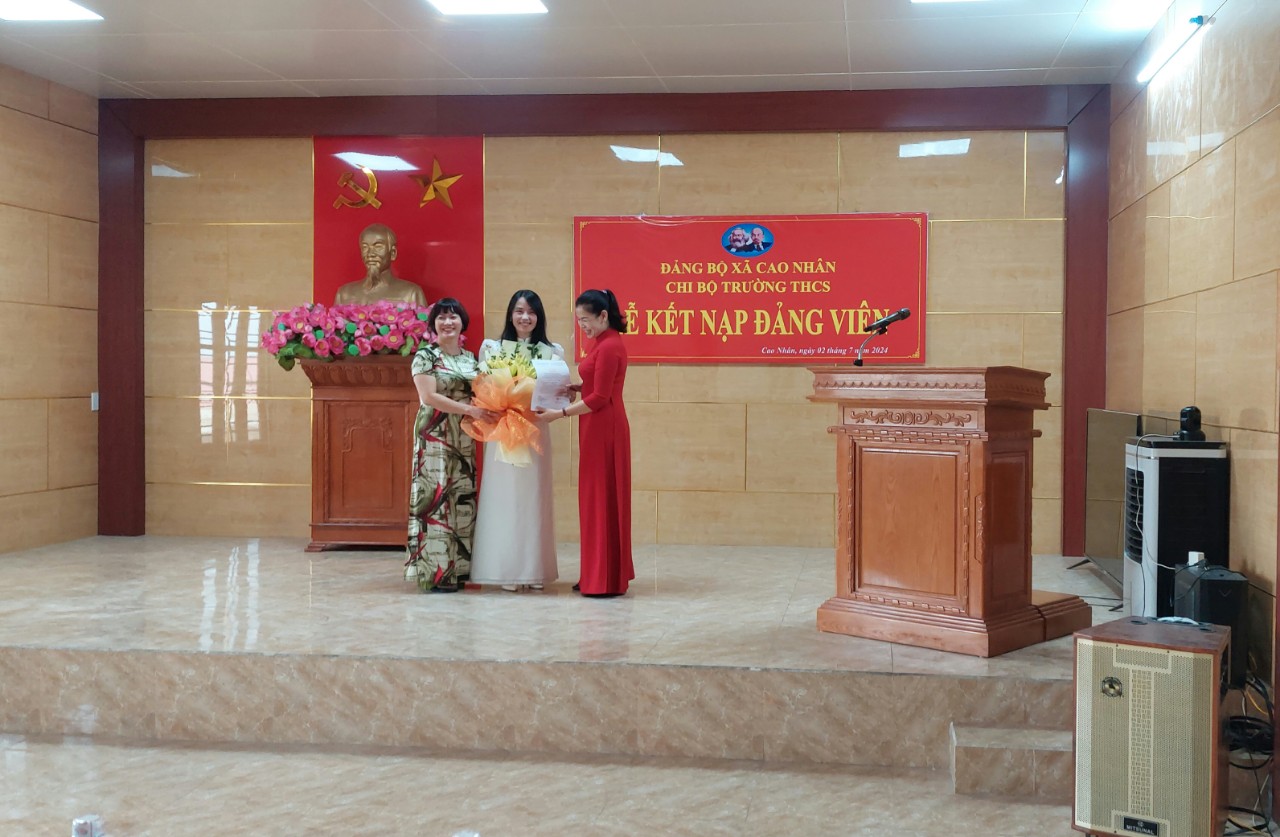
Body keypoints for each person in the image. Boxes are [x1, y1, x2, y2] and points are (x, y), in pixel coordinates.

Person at [538, 289, 633, 598]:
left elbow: (601, 398)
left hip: (605, 427)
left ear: (603, 315)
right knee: (595, 499)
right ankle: (597, 573)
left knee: (601, 499)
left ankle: (603, 578)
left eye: (586, 320)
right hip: (596, 426)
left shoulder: (610, 346)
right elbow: (600, 386)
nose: (582, 326)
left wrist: (559, 414)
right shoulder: (603, 342)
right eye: (579, 320)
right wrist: (579, 386)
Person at [470, 291, 563, 592]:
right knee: (504, 498)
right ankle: (507, 571)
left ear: (539, 317)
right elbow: (482, 388)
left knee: (534, 499)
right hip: (502, 431)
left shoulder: (552, 352)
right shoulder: (492, 348)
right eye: (520, 311)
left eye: (532, 312)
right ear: (510, 314)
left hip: (534, 431)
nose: (525, 317)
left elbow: (556, 394)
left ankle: (534, 570)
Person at [404, 298, 491, 592]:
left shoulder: (471, 359)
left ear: (462, 322)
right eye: (441, 317)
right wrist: (469, 410)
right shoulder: (426, 356)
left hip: (464, 433)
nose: (448, 322)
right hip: (435, 430)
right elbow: (429, 397)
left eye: (453, 317)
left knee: (460, 494)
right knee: (436, 498)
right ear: (433, 324)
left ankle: (460, 569)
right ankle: (435, 572)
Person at [334, 223, 427, 306]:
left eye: (378, 246)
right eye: (365, 247)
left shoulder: (411, 293)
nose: (370, 254)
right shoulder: (344, 294)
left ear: (393, 253)